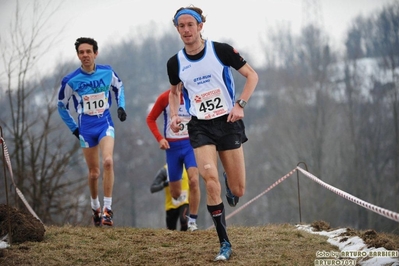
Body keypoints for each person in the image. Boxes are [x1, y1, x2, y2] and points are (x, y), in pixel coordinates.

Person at [167, 6, 259, 261]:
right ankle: (224, 243)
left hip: (228, 122)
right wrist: (175, 115)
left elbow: (252, 76)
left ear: (200, 26)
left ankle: (231, 185)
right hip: (200, 126)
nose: (186, 30)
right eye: (181, 26)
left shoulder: (221, 50)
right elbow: (174, 92)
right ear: (177, 29)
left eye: (190, 25)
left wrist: (240, 104)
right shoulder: (175, 63)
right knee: (209, 178)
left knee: (238, 189)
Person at [57, 37, 127, 227]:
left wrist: (121, 106)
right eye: (81, 52)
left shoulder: (107, 72)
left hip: (105, 124)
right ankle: (95, 206)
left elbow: (119, 87)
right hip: (86, 130)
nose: (85, 55)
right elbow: (61, 106)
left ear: (96, 53)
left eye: (89, 51)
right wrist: (74, 129)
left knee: (108, 161)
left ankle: (107, 209)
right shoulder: (71, 80)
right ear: (78, 55)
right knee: (94, 172)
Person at [146, 88, 200, 231]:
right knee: (175, 194)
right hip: (172, 149)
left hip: (190, 146)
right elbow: (150, 119)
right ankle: (183, 214)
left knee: (194, 181)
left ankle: (192, 221)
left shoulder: (194, 95)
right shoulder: (165, 97)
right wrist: (160, 139)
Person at [150, 164, 189, 231]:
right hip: (170, 206)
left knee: (184, 221)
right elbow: (153, 188)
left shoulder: (188, 167)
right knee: (171, 230)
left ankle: (183, 239)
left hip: (184, 202)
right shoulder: (164, 170)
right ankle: (176, 240)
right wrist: (164, 184)